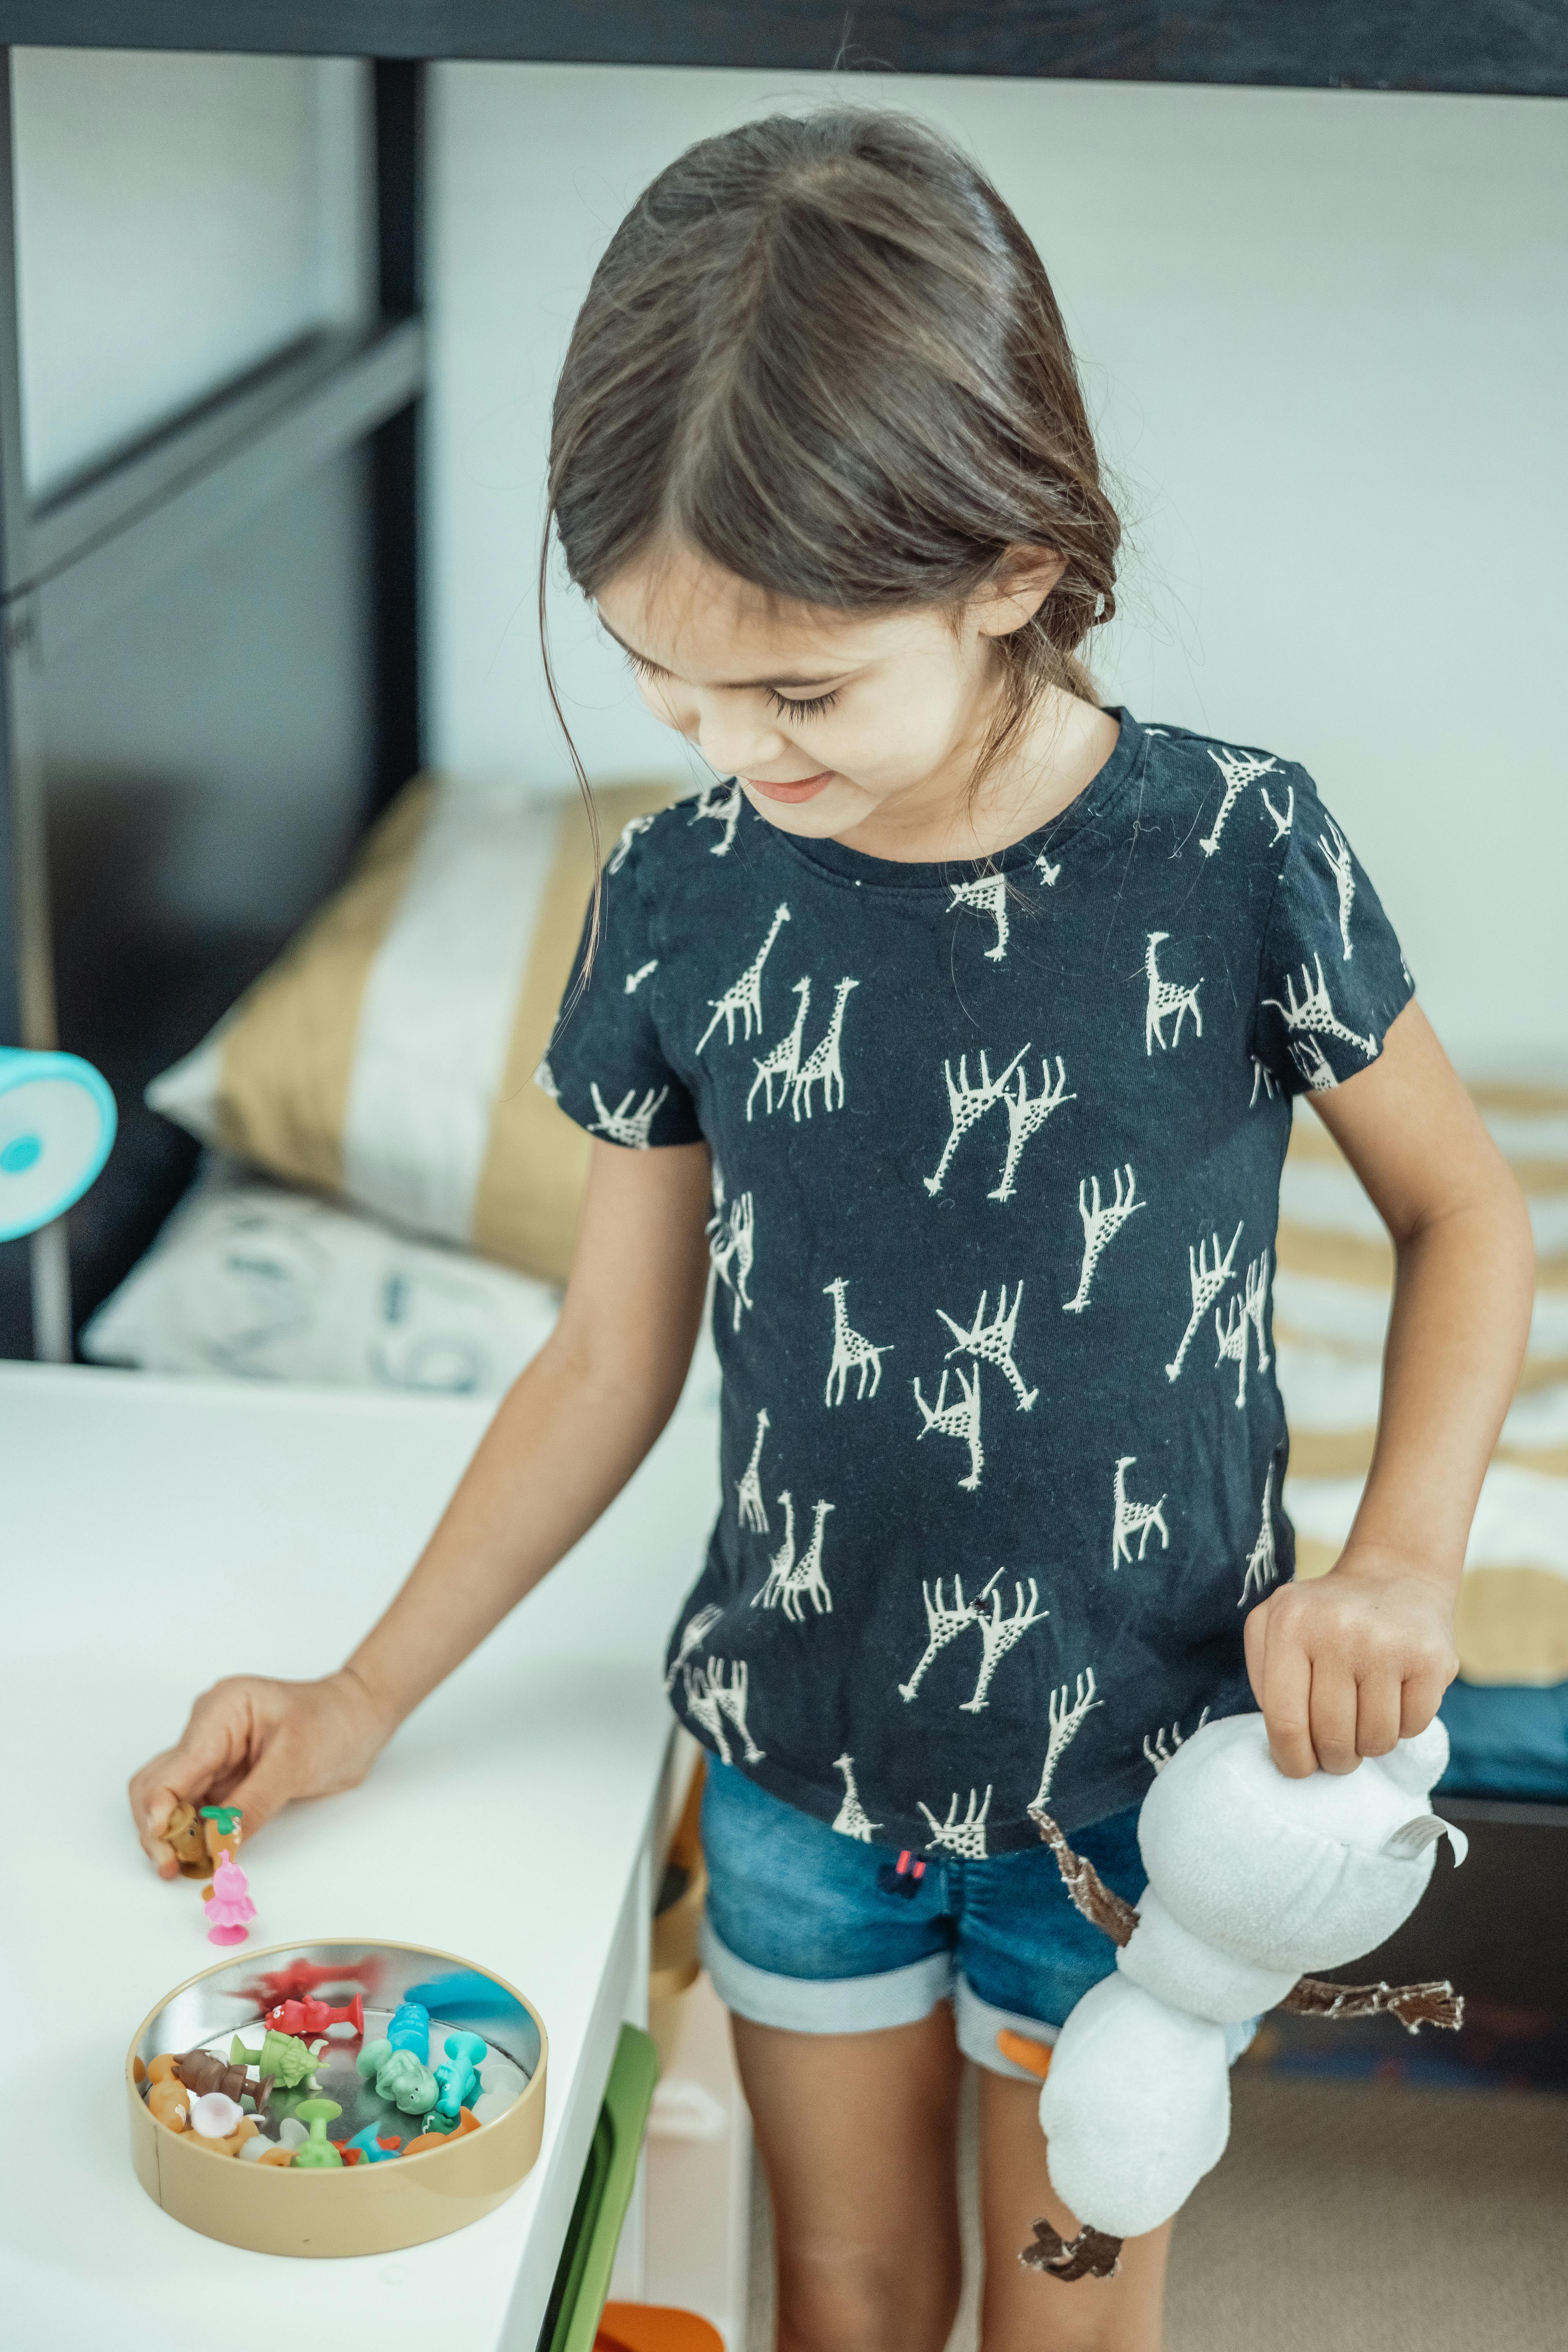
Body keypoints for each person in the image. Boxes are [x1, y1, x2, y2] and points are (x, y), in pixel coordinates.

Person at [129, 110, 1534, 2351]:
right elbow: (611, 1353)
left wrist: (1398, 1556)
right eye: (668, 686)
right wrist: (362, 1689)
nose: (728, 749)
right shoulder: (682, 898)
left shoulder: (1245, 852)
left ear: (1012, 561)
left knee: (1067, 2320)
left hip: (1145, 1809)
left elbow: (1467, 1212)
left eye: (796, 692)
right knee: (851, 2302)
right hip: (796, 1767)